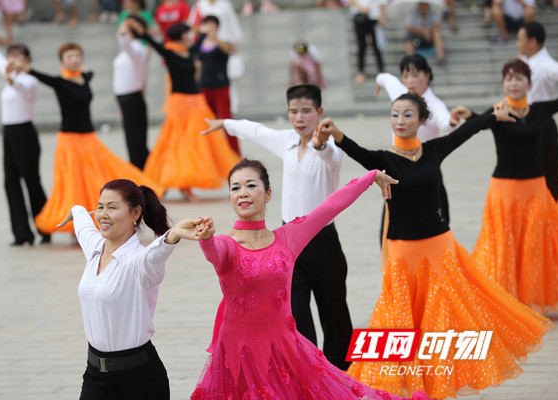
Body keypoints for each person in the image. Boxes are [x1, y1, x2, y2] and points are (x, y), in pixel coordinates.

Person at [318, 93, 552, 399]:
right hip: (404, 252)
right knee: (401, 320)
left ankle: (440, 380)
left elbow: (465, 132)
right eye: (395, 115)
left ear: (421, 120)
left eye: (407, 115)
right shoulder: (383, 159)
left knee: (445, 318)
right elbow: (357, 152)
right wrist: (337, 135)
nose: (400, 121)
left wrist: (492, 117)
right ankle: (406, 381)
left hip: (440, 248)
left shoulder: (433, 151)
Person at [178, 158, 428, 400]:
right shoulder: (226, 244)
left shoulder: (289, 238)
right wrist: (206, 238)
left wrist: (371, 176)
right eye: (235, 187)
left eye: (251, 185)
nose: (242, 192)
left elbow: (331, 206)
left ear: (268, 194)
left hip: (286, 350)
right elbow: (213, 253)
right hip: (238, 355)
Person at [201, 85, 352, 370]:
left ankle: (341, 372)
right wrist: (226, 124)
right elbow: (256, 131)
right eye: (294, 111)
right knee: (295, 313)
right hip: (288, 244)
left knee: (334, 311)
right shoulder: (286, 140)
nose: (300, 117)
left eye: (307, 110)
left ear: (319, 112)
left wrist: (320, 145)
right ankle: (308, 370)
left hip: (322, 242)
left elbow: (328, 156)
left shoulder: (331, 149)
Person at [56, 179, 203, 400]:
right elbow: (84, 224)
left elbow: (156, 253)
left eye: (112, 207)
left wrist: (172, 235)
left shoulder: (139, 262)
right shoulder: (95, 248)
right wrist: (76, 211)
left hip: (138, 381)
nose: (103, 214)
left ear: (135, 213)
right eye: (100, 207)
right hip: (95, 377)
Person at [7, 42, 163, 235]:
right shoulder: (60, 82)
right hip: (70, 141)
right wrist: (26, 69)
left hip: (89, 139)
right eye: (69, 57)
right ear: (62, 61)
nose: (74, 60)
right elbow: (42, 77)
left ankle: (101, 217)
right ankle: (76, 227)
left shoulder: (84, 78)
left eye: (77, 56)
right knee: (74, 182)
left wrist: (87, 73)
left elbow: (90, 74)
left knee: (97, 176)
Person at [451, 59, 558, 313]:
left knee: (534, 245)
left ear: (529, 83)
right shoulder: (499, 111)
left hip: (536, 190)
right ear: (503, 83)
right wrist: (467, 113)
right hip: (505, 192)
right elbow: (476, 121)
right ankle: (506, 299)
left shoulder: (539, 111)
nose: (514, 83)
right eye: (509, 79)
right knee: (505, 247)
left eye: (519, 78)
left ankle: (530, 297)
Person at [129, 21, 240, 201]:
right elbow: (152, 42)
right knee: (177, 144)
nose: (190, 37)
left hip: (196, 103)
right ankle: (167, 185)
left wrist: (204, 31)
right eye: (187, 34)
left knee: (201, 142)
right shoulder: (170, 52)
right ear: (180, 36)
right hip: (180, 104)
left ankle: (186, 185)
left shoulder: (189, 52)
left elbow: (199, 41)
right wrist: (141, 32)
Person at [375, 54, 455, 237]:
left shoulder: (434, 105)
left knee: (435, 226)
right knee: (391, 227)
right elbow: (385, 78)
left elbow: (445, 122)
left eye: (415, 75)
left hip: (426, 170)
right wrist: (378, 83)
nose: (409, 81)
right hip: (397, 168)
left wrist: (452, 121)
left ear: (427, 75)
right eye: (406, 75)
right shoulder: (400, 95)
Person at [0, 44, 49, 246]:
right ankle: (21, 233)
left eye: (18, 56)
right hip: (9, 133)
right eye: (10, 56)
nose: (12, 60)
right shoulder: (9, 76)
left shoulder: (29, 80)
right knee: (10, 182)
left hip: (25, 133)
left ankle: (44, 227)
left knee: (32, 181)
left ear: (27, 60)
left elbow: (22, 87)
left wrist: (11, 78)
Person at [516, 21, 558, 203]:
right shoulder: (526, 60)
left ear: (533, 42)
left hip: (543, 124)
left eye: (520, 40)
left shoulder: (545, 65)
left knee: (550, 177)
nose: (517, 43)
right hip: (526, 122)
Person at [196, 15, 239, 155]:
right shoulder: (201, 44)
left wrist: (213, 36)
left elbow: (229, 49)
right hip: (204, 87)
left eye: (212, 24)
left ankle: (234, 153)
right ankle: (211, 154)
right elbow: (198, 64)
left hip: (220, 86)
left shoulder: (222, 42)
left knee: (226, 121)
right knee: (206, 122)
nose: (209, 26)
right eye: (206, 23)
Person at [114, 15, 150, 169]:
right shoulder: (127, 51)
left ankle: (145, 172)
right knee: (132, 139)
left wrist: (125, 30)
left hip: (132, 98)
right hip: (124, 99)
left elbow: (125, 42)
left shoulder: (138, 48)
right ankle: (139, 172)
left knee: (136, 141)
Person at [349, 0, 386, 84]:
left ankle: (381, 70)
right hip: (360, 17)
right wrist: (361, 8)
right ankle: (361, 71)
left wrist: (382, 16)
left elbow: (382, 2)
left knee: (377, 46)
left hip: (374, 17)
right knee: (361, 46)